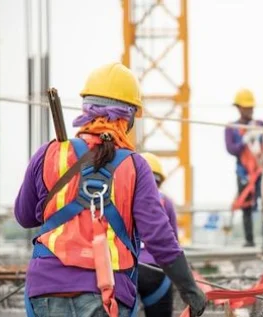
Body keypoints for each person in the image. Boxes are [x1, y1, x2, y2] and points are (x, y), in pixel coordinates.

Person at [14, 63, 206, 317]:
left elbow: (25, 216)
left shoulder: (51, 153)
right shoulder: (134, 166)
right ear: (127, 119)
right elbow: (158, 236)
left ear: (86, 110)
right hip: (106, 295)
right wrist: (189, 288)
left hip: (45, 290)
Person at [224, 89, 263, 247]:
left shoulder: (261, 126)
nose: (249, 110)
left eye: (251, 107)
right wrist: (244, 141)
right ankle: (249, 240)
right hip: (243, 173)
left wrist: (262, 148)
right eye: (246, 107)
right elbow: (231, 149)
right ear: (239, 108)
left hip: (261, 171)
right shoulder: (232, 128)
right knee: (246, 205)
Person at [138, 152, 178, 317]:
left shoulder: (123, 198)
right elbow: (173, 243)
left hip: (128, 270)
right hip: (158, 272)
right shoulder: (165, 202)